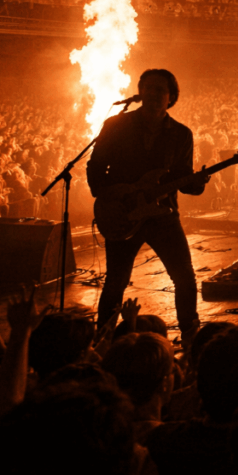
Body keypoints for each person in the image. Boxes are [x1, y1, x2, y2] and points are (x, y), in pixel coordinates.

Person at [87, 69, 209, 343]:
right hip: (121, 213)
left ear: (171, 97)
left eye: (160, 90)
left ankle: (191, 337)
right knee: (116, 282)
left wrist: (198, 183)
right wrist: (112, 194)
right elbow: (95, 167)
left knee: (185, 278)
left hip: (163, 216)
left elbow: (183, 180)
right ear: (140, 92)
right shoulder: (116, 125)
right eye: (149, 88)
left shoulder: (181, 134)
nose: (153, 94)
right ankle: (104, 341)